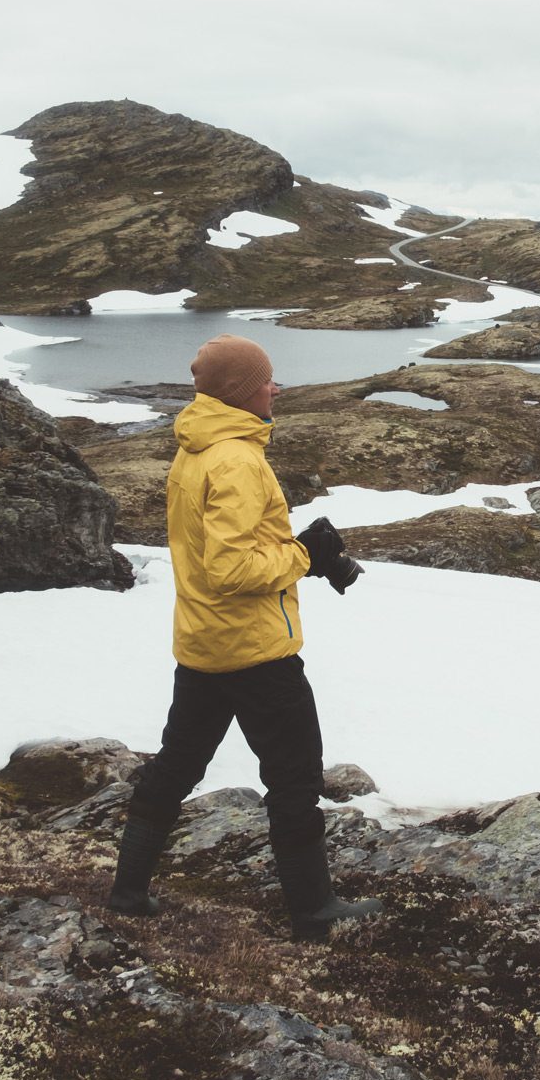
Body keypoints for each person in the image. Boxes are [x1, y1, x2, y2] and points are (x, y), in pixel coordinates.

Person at [107, 333, 381, 940]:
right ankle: (314, 912)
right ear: (239, 391)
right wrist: (304, 555)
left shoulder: (197, 447)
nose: (275, 388)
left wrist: (291, 550)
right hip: (255, 651)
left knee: (176, 766)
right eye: (266, 380)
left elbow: (216, 555)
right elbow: (231, 571)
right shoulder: (235, 460)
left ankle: (127, 891)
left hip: (204, 643)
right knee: (294, 780)